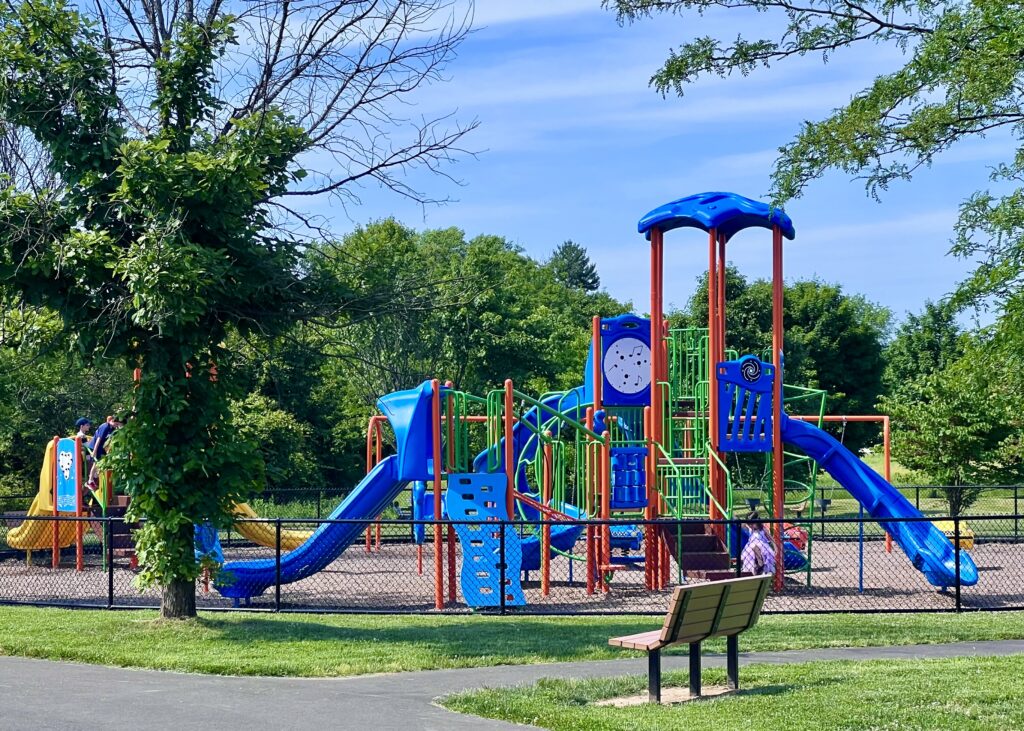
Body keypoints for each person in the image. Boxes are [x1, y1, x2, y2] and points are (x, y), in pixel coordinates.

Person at [86, 413, 125, 490]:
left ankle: (95, 476)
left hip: (101, 447)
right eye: (117, 424)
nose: (117, 426)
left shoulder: (113, 428)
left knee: (103, 462)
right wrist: (94, 451)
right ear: (114, 421)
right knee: (96, 462)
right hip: (94, 446)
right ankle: (90, 480)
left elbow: (109, 441)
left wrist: (108, 451)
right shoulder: (105, 427)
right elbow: (98, 440)